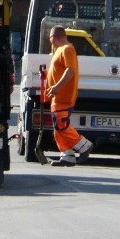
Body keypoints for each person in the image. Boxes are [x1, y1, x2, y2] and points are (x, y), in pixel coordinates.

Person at [46, 25, 94, 167]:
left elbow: (70, 71)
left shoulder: (67, 49)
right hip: (58, 96)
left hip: (64, 96)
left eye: (50, 38)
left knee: (61, 125)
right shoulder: (60, 50)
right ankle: (67, 156)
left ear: (53, 37)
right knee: (58, 128)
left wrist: (56, 87)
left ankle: (84, 145)